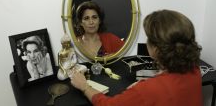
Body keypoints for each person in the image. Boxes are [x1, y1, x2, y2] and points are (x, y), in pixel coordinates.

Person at [70, 9, 203, 106]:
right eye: (86, 18)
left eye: (148, 38)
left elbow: (107, 105)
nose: (91, 22)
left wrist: (85, 86)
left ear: (155, 48)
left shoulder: (148, 90)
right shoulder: (195, 70)